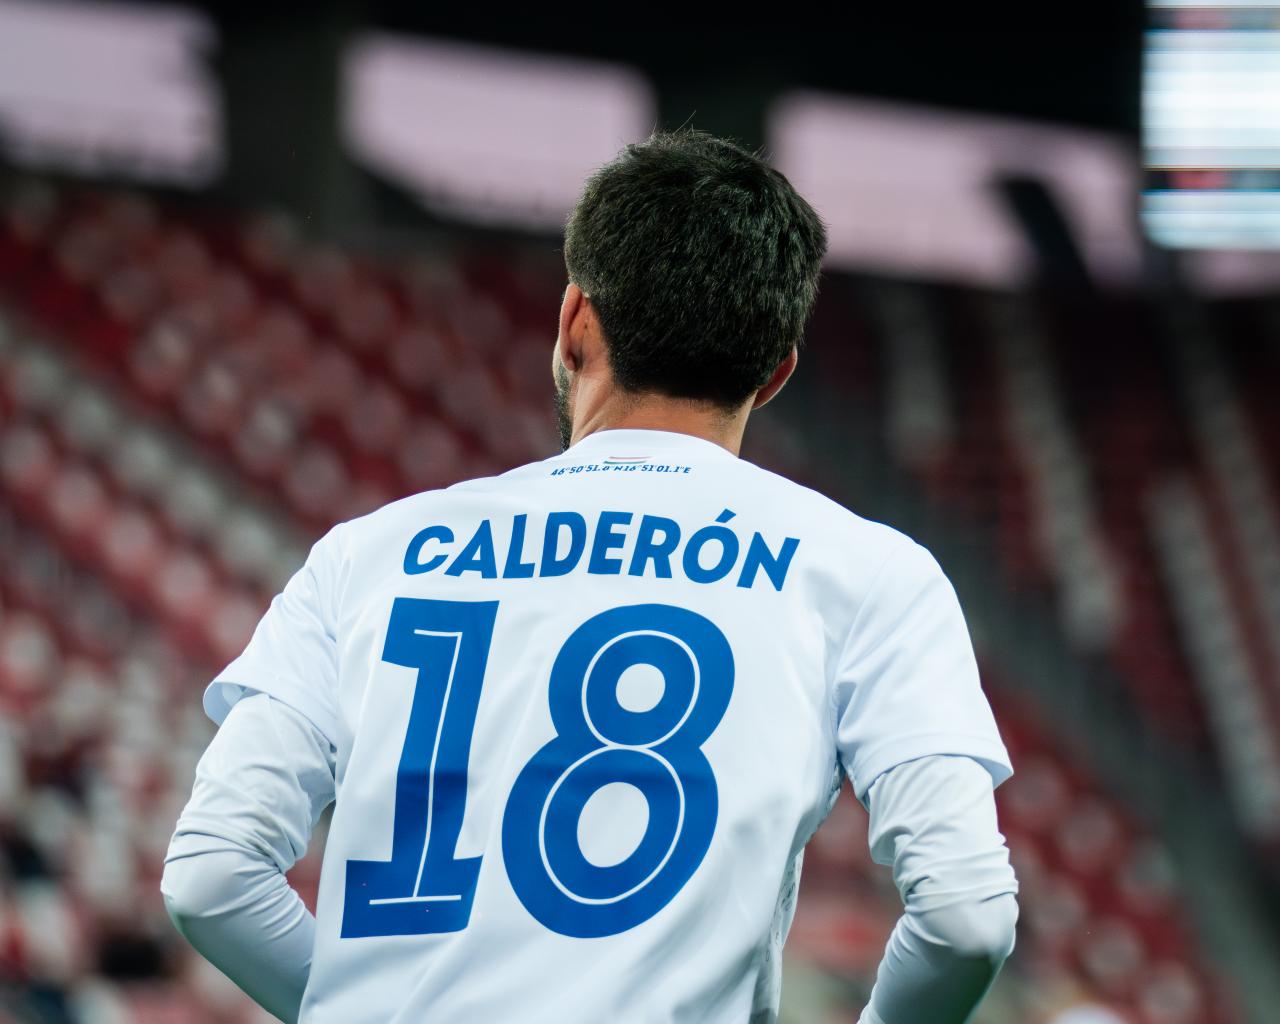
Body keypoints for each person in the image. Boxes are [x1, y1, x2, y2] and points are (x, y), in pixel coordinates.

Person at [162, 129, 1018, 1024]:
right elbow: (965, 921)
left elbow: (213, 874)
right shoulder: (867, 572)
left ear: (576, 322)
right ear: (775, 374)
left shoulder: (367, 554)